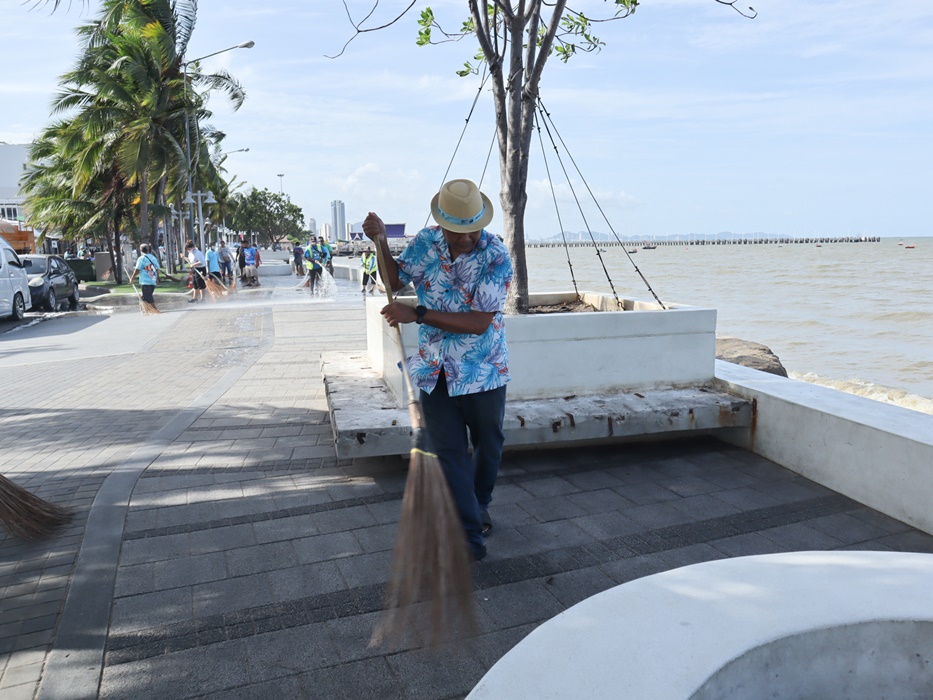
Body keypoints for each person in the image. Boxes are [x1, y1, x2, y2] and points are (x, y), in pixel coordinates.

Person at [363, 178, 513, 562]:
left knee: (489, 443)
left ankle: (479, 503)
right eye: (457, 231)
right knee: (449, 454)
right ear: (442, 224)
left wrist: (418, 314)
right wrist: (381, 243)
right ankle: (468, 538)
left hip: (482, 369)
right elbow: (393, 279)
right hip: (435, 369)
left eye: (472, 229)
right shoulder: (426, 242)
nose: (466, 238)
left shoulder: (496, 256)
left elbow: (478, 322)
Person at [128, 243, 160, 309]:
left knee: (148, 297)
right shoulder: (153, 258)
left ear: (140, 250)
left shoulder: (141, 259)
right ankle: (144, 309)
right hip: (152, 281)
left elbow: (137, 270)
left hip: (145, 281)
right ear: (148, 249)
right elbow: (157, 269)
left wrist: (132, 278)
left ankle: (155, 310)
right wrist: (157, 278)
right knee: (145, 297)